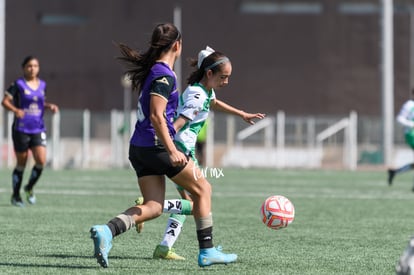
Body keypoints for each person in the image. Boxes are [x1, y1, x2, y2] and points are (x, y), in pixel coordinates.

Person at [89, 23, 237, 268]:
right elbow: (158, 116)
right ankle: (208, 251)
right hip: (156, 146)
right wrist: (171, 150)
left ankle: (107, 231)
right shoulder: (163, 74)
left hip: (140, 147)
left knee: (154, 206)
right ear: (177, 45)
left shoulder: (154, 71)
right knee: (203, 189)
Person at [139, 46, 265, 260]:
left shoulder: (204, 90)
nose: (226, 81)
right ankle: (148, 207)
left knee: (193, 200)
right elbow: (177, 125)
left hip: (183, 149)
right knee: (198, 200)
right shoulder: (197, 95)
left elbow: (214, 102)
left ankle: (164, 246)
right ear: (209, 72)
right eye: (223, 76)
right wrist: (169, 147)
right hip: (181, 150)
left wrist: (241, 113)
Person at [1, 56, 59, 207]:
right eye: (29, 66)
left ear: (38, 68)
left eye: (35, 66)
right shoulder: (18, 84)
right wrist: (15, 110)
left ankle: (29, 187)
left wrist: (49, 106)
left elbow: (38, 103)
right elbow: (4, 101)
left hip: (38, 127)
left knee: (41, 161)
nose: (32, 68)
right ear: (24, 68)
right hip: (21, 128)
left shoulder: (43, 85)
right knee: (22, 163)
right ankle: (15, 196)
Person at [388, 89, 414, 190]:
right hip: (411, 134)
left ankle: (394, 172)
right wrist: (411, 124)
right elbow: (399, 119)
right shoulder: (409, 104)